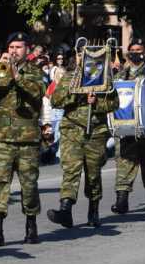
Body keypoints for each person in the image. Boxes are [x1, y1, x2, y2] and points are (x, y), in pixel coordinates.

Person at [0, 32, 46, 246]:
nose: (14, 51)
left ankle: (31, 224)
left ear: (27, 49)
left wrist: (17, 77)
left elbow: (37, 93)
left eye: (18, 47)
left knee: (29, 185)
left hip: (27, 138)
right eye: (11, 47)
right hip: (1, 137)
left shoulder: (35, 72)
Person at [47, 58, 116, 228]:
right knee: (71, 170)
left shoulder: (104, 77)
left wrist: (97, 102)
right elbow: (55, 101)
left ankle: (94, 210)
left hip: (95, 131)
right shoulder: (69, 77)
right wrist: (76, 94)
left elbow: (115, 103)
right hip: (72, 129)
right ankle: (65, 210)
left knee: (93, 174)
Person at [111, 38, 145, 214]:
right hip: (126, 126)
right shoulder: (121, 73)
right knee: (125, 162)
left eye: (139, 49)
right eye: (132, 49)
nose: (135, 52)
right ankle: (122, 200)